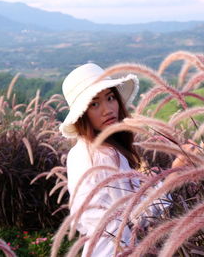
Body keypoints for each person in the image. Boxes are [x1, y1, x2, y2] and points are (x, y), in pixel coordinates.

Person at [60, 63, 150, 256]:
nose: (107, 109)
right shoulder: (107, 155)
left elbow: (85, 218)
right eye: (94, 103)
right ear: (82, 113)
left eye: (110, 98)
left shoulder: (78, 152)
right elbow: (138, 215)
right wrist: (171, 176)